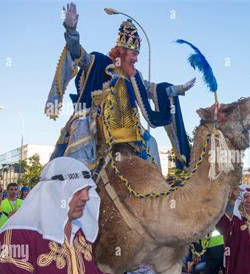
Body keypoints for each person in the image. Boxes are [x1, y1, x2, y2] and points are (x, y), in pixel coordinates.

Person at [46, 3, 195, 171]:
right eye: (134, 54)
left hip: (130, 131)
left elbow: (152, 89)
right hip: (98, 128)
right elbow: (79, 55)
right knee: (77, 162)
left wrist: (178, 89)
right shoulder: (100, 62)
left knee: (151, 143)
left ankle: (156, 189)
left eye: (137, 54)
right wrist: (71, 31)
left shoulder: (134, 76)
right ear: (122, 52)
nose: (136, 59)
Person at [0, 157, 147, 274]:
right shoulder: (15, 238)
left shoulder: (77, 230)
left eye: (87, 190)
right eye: (78, 190)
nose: (86, 197)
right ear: (54, 192)